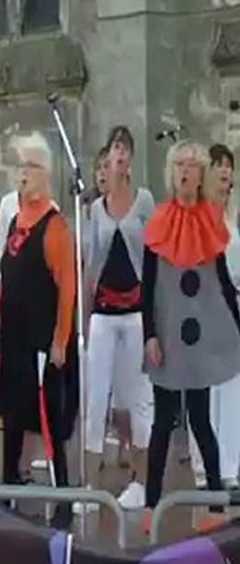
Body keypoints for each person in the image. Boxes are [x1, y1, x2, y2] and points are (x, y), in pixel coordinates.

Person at [142, 140, 240, 532]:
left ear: (201, 175)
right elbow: (147, 286)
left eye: (191, 165)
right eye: (178, 164)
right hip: (166, 336)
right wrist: (149, 335)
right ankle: (151, 504)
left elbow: (223, 284)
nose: (184, 171)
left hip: (198, 338)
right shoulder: (159, 220)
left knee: (200, 420)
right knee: (163, 420)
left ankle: (215, 505)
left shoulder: (210, 221)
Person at [0, 132, 77, 530]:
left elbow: (67, 288)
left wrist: (61, 339)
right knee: (11, 415)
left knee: (48, 421)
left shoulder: (54, 226)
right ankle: (8, 488)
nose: (21, 175)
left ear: (44, 174)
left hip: (41, 339)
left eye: (29, 167)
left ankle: (63, 499)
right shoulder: (15, 221)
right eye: (19, 167)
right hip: (13, 338)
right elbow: (7, 272)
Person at [83, 126, 155, 510]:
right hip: (104, 314)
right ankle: (91, 486)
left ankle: (140, 482)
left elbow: (153, 259)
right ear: (108, 157)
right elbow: (90, 265)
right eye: (115, 147)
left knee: (136, 399)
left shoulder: (144, 201)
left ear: (131, 158)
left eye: (126, 148)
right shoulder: (96, 209)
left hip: (136, 313)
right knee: (96, 399)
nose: (120, 154)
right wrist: (83, 318)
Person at [189, 143, 240, 488]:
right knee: (205, 390)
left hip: (234, 308)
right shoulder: (197, 216)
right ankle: (203, 468)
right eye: (219, 165)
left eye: (228, 166)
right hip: (204, 307)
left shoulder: (233, 217)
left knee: (233, 389)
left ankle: (230, 468)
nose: (225, 171)